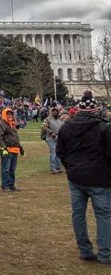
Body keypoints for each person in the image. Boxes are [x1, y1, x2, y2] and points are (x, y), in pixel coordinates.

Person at [57, 92, 111, 264]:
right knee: (103, 215)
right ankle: (104, 253)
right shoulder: (104, 128)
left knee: (78, 214)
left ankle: (85, 250)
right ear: (95, 110)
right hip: (99, 178)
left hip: (77, 176)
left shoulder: (66, 127)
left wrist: (70, 167)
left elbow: (60, 152)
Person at [0, 108, 24, 192]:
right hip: (6, 149)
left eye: (11, 114)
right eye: (8, 114)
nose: (10, 116)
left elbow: (15, 138)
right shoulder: (0, 124)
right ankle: (5, 185)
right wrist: (4, 148)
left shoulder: (13, 124)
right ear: (4, 114)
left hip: (15, 149)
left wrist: (21, 148)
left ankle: (11, 185)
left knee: (12, 169)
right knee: (6, 168)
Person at [42, 107, 63, 174]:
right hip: (50, 138)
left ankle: (58, 167)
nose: (55, 112)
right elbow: (43, 127)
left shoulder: (59, 120)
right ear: (51, 112)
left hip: (58, 138)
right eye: (53, 111)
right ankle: (52, 168)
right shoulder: (48, 119)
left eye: (56, 111)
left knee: (58, 152)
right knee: (53, 152)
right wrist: (51, 132)